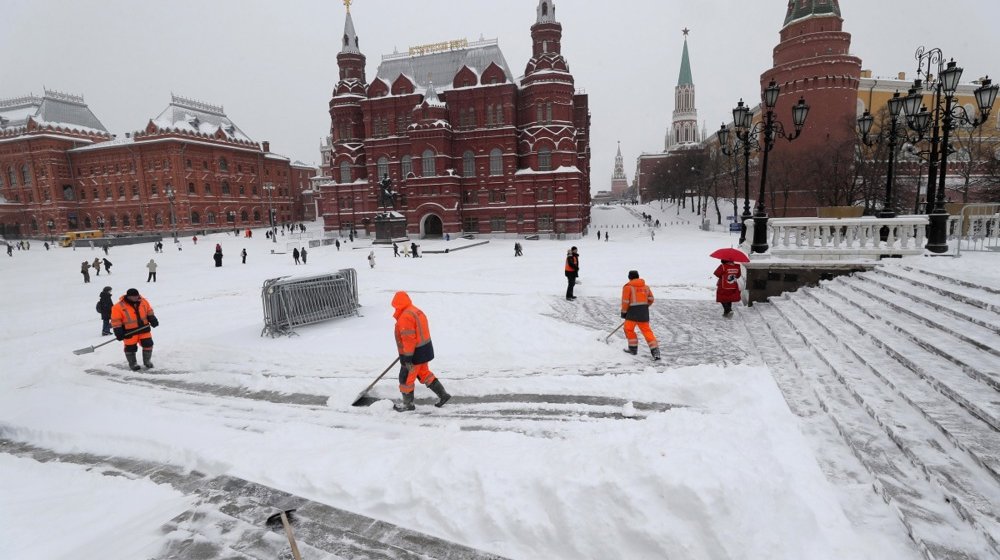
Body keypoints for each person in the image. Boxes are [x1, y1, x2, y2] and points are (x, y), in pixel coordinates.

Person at [390, 291, 450, 411]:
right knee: (424, 374)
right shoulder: (415, 310)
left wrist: (407, 357)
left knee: (406, 378)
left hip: (414, 355)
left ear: (397, 304)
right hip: (424, 351)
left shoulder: (405, 317)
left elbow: (409, 339)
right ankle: (443, 395)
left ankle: (408, 404)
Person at [110, 288, 159, 371]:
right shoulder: (118, 306)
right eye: (134, 296)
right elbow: (116, 320)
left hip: (144, 329)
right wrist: (118, 331)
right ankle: (133, 364)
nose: (137, 298)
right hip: (130, 332)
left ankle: (147, 361)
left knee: (148, 344)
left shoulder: (143, 301)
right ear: (128, 297)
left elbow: (149, 311)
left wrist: (152, 318)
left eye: (137, 296)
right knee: (130, 348)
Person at [621, 270, 660, 360]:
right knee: (647, 331)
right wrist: (645, 306)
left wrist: (624, 313)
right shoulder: (645, 287)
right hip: (643, 312)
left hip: (632, 312)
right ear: (638, 277)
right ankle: (655, 351)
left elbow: (625, 301)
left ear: (629, 277)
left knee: (628, 329)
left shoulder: (628, 287)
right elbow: (651, 298)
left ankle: (633, 349)